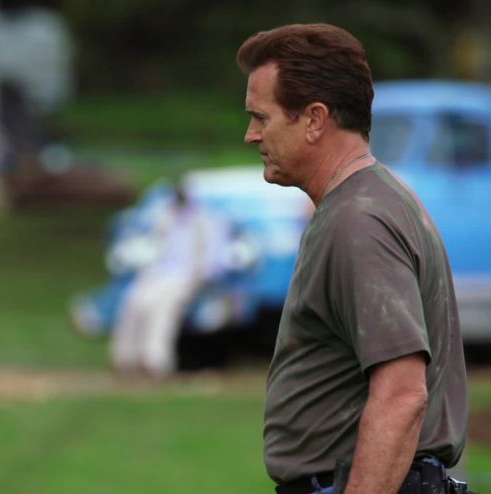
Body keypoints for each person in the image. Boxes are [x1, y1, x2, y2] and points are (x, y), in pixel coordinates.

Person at [237, 24, 470, 494]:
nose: (251, 135)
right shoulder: (372, 201)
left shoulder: (358, 221)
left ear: (314, 119)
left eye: (261, 117)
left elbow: (402, 394)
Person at [110, 184, 222, 377]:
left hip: (184, 278)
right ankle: (125, 358)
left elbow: (212, 254)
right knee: (135, 302)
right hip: (158, 275)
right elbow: (154, 247)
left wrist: (201, 277)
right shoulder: (166, 217)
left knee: (163, 309)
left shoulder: (203, 221)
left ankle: (155, 361)